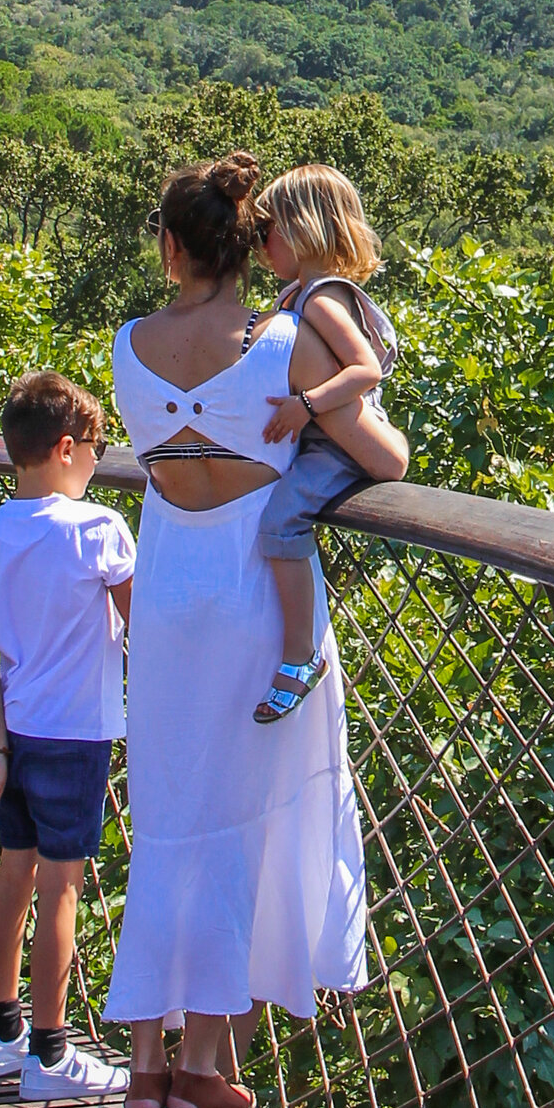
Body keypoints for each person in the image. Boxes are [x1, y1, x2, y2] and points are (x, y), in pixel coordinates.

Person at [102, 153, 370, 1108]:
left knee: (170, 814)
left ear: (172, 249)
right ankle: (205, 1071)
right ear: (248, 250)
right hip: (256, 592)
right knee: (247, 818)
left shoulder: (128, 343)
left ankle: (144, 1077)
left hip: (166, 591)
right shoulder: (288, 341)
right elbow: (376, 447)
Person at [0, 367, 135, 1106]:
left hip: (18, 733)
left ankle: (0, 1036)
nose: (101, 458)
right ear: (66, 448)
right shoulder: (100, 530)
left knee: (15, 876)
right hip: (77, 735)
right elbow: (145, 624)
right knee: (63, 889)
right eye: (97, 445)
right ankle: (52, 1053)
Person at [251, 164, 408, 722]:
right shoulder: (299, 293)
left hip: (337, 445)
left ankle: (300, 655)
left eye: (265, 229)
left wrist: (308, 405)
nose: (260, 245)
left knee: (279, 520)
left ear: (298, 228)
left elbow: (366, 369)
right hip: (322, 439)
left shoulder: (319, 299)